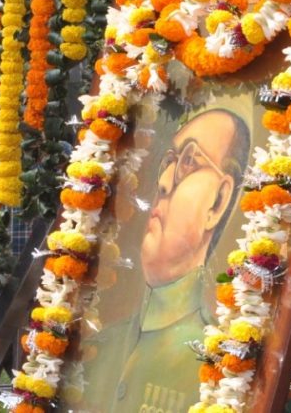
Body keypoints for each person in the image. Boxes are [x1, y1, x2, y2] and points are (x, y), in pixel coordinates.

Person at [93, 107, 250, 412]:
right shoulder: (97, 346)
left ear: (217, 203)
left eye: (189, 161)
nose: (164, 182)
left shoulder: (224, 366)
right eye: (170, 161)